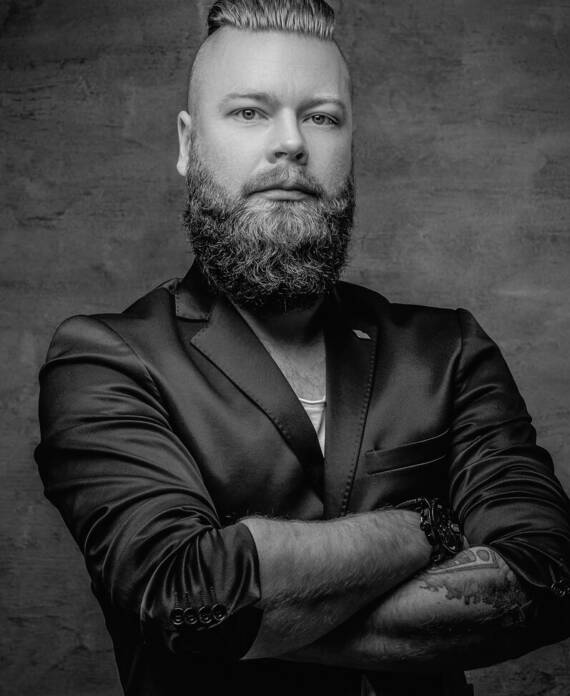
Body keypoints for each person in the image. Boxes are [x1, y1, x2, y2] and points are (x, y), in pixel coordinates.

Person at [35, 1, 570, 695]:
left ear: (350, 144)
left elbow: (549, 573)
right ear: (187, 144)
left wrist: (258, 619)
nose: (290, 142)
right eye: (249, 112)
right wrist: (427, 528)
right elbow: (181, 597)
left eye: (321, 117)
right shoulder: (104, 359)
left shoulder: (448, 350)